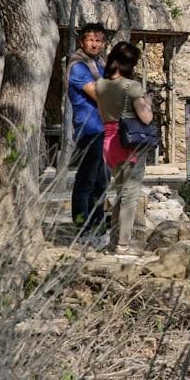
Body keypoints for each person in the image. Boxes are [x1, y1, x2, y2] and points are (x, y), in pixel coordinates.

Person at [96, 42, 154, 256]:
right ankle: (123, 245)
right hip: (129, 144)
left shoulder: (100, 84)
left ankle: (114, 242)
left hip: (109, 141)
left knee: (120, 192)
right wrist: (148, 102)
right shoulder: (132, 86)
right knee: (130, 195)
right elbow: (146, 118)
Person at [67, 23, 110, 238]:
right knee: (86, 181)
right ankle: (81, 229)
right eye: (90, 40)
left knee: (102, 182)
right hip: (90, 130)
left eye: (98, 40)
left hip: (106, 130)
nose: (94, 44)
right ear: (82, 42)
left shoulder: (100, 65)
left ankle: (97, 226)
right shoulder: (78, 67)